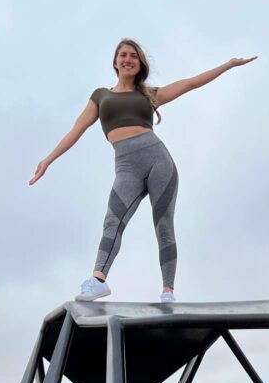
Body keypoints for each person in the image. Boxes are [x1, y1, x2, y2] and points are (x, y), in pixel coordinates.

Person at [29, 38, 256, 302]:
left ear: (140, 64)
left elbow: (192, 83)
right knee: (112, 220)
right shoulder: (101, 96)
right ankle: (98, 280)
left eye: (134, 56)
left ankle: (168, 291)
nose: (128, 59)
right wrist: (48, 160)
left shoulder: (148, 95)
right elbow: (76, 130)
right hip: (126, 168)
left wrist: (228, 65)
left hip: (159, 161)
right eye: (123, 55)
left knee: (164, 225)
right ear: (115, 62)